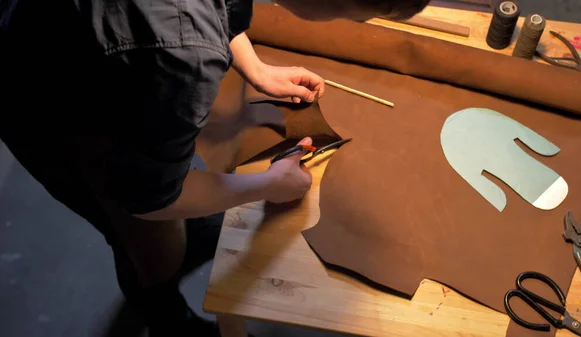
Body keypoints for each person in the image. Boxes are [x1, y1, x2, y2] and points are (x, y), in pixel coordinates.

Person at [0, 0, 429, 335]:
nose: (354, 24)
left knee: (175, 200)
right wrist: (268, 183)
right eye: (355, 16)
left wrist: (255, 67)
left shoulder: (184, 43)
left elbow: (214, 10)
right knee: (139, 231)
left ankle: (180, 246)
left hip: (86, 42)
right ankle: (165, 315)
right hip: (50, 98)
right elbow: (149, 199)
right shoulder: (184, 55)